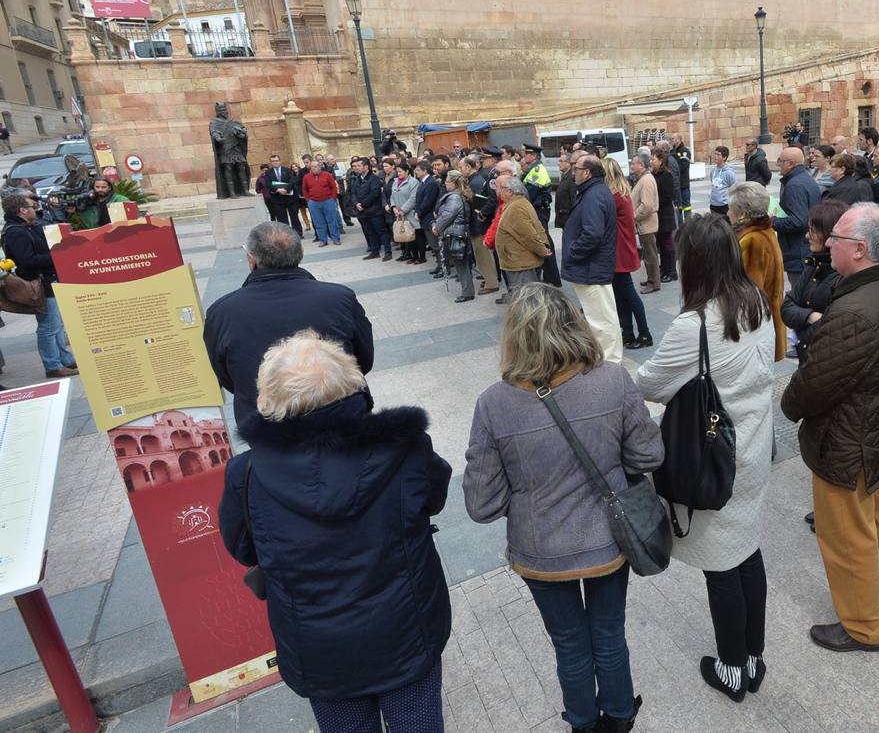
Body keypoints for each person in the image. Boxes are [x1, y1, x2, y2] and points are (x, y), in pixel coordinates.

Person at [219, 331, 451, 733]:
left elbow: (243, 548)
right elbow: (434, 497)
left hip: (318, 649)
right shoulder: (405, 448)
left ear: (270, 399)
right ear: (351, 384)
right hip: (406, 630)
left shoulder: (248, 474)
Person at [464, 284, 661, 733]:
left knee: (569, 643)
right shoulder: (612, 380)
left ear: (513, 335)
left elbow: (482, 504)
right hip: (610, 540)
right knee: (609, 634)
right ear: (575, 324)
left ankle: (581, 721)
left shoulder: (494, 404)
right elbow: (649, 457)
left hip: (540, 552)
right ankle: (619, 715)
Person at [635, 214, 776, 703]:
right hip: (754, 448)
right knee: (748, 552)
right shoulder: (754, 299)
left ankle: (733, 669)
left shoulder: (694, 324)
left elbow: (650, 384)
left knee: (722, 565)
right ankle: (755, 657)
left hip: (717, 459)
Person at [782, 203, 879, 652]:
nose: (827, 245)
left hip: (848, 439)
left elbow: (815, 384)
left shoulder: (857, 310)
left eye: (836, 240)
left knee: (847, 537)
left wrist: (788, 403)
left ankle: (863, 626)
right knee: (876, 515)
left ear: (859, 249)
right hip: (877, 430)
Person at [204, 222, 374, 429]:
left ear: (251, 260)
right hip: (341, 413)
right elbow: (363, 360)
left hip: (266, 424)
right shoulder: (340, 297)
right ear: (301, 252)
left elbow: (227, 377)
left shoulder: (222, 311)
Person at [1, 194, 78, 378]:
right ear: (22, 210)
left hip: (47, 280)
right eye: (31, 206)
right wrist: (58, 257)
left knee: (56, 324)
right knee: (48, 326)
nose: (35, 208)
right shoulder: (15, 232)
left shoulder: (27, 227)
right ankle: (52, 365)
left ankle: (65, 359)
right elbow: (27, 260)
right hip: (39, 282)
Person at [563, 155, 622, 363]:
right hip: (593, 266)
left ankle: (610, 363)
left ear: (587, 172)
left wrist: (573, 252)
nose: (573, 172)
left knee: (601, 320)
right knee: (601, 316)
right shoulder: (594, 191)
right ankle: (608, 358)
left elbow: (593, 233)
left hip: (592, 267)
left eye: (575, 168)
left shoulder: (594, 195)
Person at [727, 182, 787, 361]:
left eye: (730, 209)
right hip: (768, 321)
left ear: (743, 214)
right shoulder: (766, 231)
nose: (727, 213)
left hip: (757, 329)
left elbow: (749, 295)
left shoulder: (752, 241)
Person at [781, 200, 847, 364]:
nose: (806, 235)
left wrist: (800, 327)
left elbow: (832, 329)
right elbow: (787, 306)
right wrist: (810, 316)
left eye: (813, 230)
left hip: (827, 362)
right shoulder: (813, 263)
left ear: (829, 234)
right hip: (809, 358)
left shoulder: (844, 274)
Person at [602, 158, 652, 350]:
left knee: (628, 294)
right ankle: (629, 332)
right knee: (622, 294)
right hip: (622, 249)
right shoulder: (621, 193)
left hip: (619, 250)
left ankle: (644, 333)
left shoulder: (615, 196)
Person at [493, 176, 551, 303]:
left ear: (510, 191)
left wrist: (542, 250)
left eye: (501, 188)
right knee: (528, 298)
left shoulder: (516, 207)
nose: (498, 191)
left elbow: (528, 235)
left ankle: (531, 322)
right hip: (520, 261)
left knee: (527, 301)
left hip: (521, 264)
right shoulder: (518, 203)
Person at [772, 146, 821, 287]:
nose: (777, 164)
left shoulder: (794, 185)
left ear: (790, 163)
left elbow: (798, 221)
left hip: (798, 251)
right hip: (804, 248)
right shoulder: (804, 178)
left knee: (800, 294)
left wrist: (773, 221)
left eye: (780, 161)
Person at [520, 144, 561, 286]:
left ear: (534, 156)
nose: (525, 156)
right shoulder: (533, 169)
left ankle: (552, 278)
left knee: (544, 242)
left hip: (539, 210)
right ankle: (551, 277)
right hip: (538, 209)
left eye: (527, 154)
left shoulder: (537, 170)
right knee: (544, 241)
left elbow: (529, 193)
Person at [432, 170, 475, 302]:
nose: (445, 184)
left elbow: (448, 215)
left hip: (456, 234)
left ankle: (467, 292)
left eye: (447, 181)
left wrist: (437, 227)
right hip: (460, 232)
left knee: (461, 264)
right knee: (462, 263)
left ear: (454, 183)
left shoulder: (454, 197)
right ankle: (468, 290)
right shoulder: (460, 195)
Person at [465, 154, 501, 295]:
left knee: (483, 254)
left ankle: (492, 282)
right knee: (481, 255)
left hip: (480, 222)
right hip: (479, 221)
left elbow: (490, 200)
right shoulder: (484, 175)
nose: (482, 161)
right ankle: (490, 279)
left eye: (484, 159)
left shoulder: (479, 179)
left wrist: (481, 214)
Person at [348, 157, 392, 261]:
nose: (357, 168)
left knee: (381, 231)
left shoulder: (374, 179)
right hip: (362, 212)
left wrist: (362, 204)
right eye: (356, 166)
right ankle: (374, 251)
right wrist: (356, 204)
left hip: (374, 211)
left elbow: (374, 194)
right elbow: (353, 193)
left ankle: (387, 252)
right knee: (369, 232)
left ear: (366, 167)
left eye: (359, 166)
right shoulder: (357, 179)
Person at [629, 153, 661, 294]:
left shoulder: (646, 180)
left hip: (646, 224)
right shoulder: (643, 178)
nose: (631, 166)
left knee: (650, 255)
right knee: (648, 254)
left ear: (641, 165)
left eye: (633, 163)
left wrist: (633, 217)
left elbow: (646, 205)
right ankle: (651, 279)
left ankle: (653, 283)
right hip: (644, 224)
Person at [301, 157, 342, 247]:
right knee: (318, 222)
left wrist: (333, 198)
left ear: (320, 167)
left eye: (315, 166)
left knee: (332, 221)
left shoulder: (327, 175)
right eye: (312, 166)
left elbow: (333, 187)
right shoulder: (306, 177)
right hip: (314, 203)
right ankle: (323, 240)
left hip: (328, 201)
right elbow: (304, 189)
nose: (313, 168)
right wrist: (309, 200)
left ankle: (336, 238)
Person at [652, 150, 678, 283]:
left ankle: (671, 271)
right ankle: (664, 269)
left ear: (661, 161)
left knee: (667, 243)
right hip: (657, 214)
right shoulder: (654, 174)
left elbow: (667, 196)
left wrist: (654, 203)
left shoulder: (666, 175)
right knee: (661, 244)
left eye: (654, 159)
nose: (651, 161)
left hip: (665, 214)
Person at [388, 163, 421, 263]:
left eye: (400, 171)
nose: (398, 174)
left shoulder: (413, 182)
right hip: (398, 213)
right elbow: (392, 196)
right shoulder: (395, 181)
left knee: (413, 236)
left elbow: (413, 198)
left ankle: (418, 257)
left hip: (409, 213)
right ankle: (409, 255)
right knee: (404, 236)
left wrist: (403, 210)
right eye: (397, 172)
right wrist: (393, 207)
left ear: (407, 171)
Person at [263, 154, 304, 234]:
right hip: (277, 199)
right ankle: (286, 235)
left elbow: (292, 181)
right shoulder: (268, 172)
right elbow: (268, 184)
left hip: (290, 198)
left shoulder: (288, 170)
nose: (275, 162)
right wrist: (277, 190)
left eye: (276, 161)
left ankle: (298, 233)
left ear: (280, 161)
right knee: (282, 219)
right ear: (271, 163)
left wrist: (286, 189)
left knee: (294, 217)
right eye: (273, 161)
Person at [412, 160, 441, 267]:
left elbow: (427, 201)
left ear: (425, 170)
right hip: (424, 217)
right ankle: (439, 266)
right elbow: (418, 199)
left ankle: (443, 267)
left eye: (418, 170)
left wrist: (419, 213)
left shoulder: (431, 183)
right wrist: (416, 211)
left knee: (436, 245)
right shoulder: (423, 182)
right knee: (433, 245)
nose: (416, 172)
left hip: (429, 217)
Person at [708, 146, 736, 217]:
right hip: (713, 204)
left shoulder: (729, 173)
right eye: (715, 154)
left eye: (718, 155)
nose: (715, 156)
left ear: (724, 157)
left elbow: (734, 188)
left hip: (724, 205)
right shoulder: (713, 171)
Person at [671, 133, 692, 221]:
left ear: (678, 140)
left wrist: (675, 159)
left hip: (683, 185)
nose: (671, 140)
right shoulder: (672, 151)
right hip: (676, 185)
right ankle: (680, 226)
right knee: (678, 206)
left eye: (673, 139)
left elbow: (683, 166)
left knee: (686, 206)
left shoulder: (685, 151)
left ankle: (688, 224)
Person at [554, 152, 577, 231]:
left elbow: (573, 199)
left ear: (568, 163)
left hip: (568, 219)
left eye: (561, 161)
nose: (558, 163)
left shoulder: (571, 178)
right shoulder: (565, 175)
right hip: (564, 218)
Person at [292, 160, 315, 235]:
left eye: (295, 166)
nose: (294, 168)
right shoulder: (292, 176)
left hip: (305, 194)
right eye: (293, 167)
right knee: (302, 211)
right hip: (298, 196)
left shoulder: (302, 173)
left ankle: (314, 223)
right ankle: (307, 225)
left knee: (311, 210)